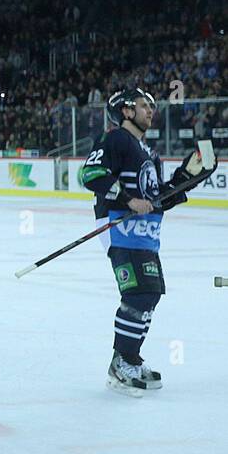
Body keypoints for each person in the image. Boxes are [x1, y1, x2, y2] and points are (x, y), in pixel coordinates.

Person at [79, 87, 215, 396]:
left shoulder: (149, 152)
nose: (150, 110)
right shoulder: (115, 139)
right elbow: (91, 174)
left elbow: (156, 198)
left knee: (150, 294)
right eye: (143, 106)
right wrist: (128, 199)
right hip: (120, 229)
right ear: (126, 111)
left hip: (146, 233)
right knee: (138, 294)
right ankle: (120, 362)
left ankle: (131, 357)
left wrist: (188, 177)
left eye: (150, 106)